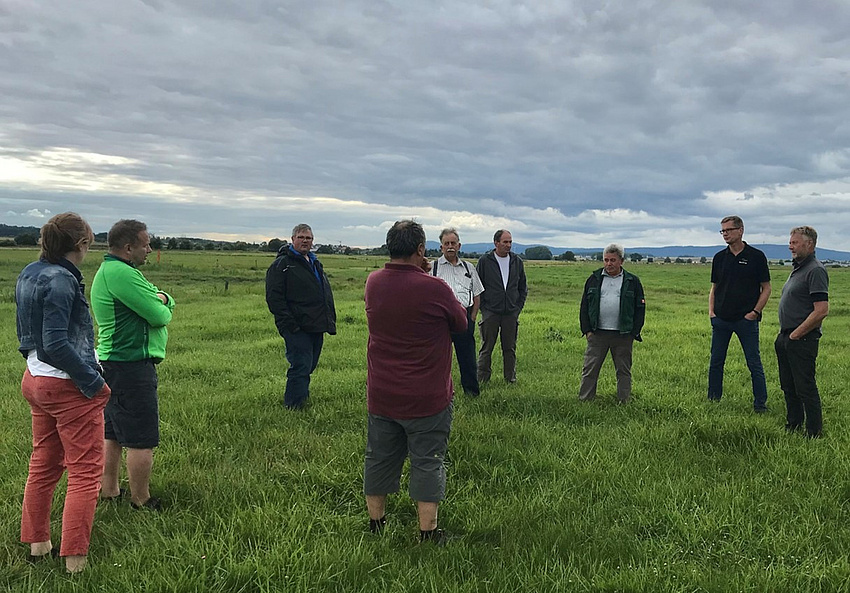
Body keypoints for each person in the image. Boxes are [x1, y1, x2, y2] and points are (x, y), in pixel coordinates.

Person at [15, 212, 111, 573]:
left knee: (43, 464)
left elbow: (29, 336)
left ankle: (38, 545)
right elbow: (56, 341)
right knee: (86, 472)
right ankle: (75, 561)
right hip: (66, 384)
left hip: (35, 378)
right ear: (81, 244)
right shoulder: (62, 280)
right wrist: (93, 382)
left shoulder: (30, 272)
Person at [363, 220, 467, 543]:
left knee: (378, 457)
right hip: (427, 396)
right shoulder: (434, 288)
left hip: (382, 393)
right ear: (421, 250)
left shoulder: (373, 282)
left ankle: (376, 524)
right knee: (427, 460)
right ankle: (428, 533)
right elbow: (461, 323)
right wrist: (424, 274)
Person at [91, 219, 175, 510]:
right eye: (145, 244)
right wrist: (164, 301)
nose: (150, 249)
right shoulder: (123, 274)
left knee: (112, 431)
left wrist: (163, 299)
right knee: (141, 438)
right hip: (130, 364)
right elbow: (160, 315)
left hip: (113, 362)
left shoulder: (114, 271)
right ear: (129, 248)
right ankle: (142, 499)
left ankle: (110, 489)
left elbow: (160, 300)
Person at [265, 224, 337, 410]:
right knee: (300, 365)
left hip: (316, 324)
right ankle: (294, 405)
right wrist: (289, 324)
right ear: (292, 239)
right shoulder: (282, 265)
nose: (305, 241)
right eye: (301, 237)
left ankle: (302, 397)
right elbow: (274, 298)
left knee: (309, 365)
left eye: (309, 238)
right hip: (296, 326)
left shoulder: (314, 262)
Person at [708, 216, 771, 412]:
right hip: (721, 319)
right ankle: (713, 400)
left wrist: (755, 312)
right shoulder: (719, 257)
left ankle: (760, 404)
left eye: (728, 230)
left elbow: (766, 288)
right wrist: (712, 313)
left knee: (754, 363)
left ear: (741, 230)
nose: (725, 234)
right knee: (716, 362)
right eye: (722, 231)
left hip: (746, 320)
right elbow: (714, 288)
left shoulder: (756, 256)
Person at [775, 226, 829, 438]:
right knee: (788, 386)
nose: (791, 246)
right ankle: (793, 425)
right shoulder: (798, 268)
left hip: (802, 338)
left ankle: (813, 433)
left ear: (810, 244)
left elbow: (821, 310)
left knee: (805, 387)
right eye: (790, 242)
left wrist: (796, 334)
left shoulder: (815, 270)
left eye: (795, 243)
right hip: (786, 336)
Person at [578, 244, 646, 403]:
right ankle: (585, 399)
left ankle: (624, 401)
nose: (609, 264)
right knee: (590, 370)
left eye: (613, 260)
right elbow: (584, 306)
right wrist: (587, 330)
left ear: (621, 261)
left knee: (623, 370)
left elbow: (640, 308)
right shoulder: (594, 279)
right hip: (597, 333)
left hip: (622, 335)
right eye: (606, 260)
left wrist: (633, 332)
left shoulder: (632, 281)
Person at [431, 228, 484, 396]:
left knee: (467, 358)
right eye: (446, 244)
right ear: (441, 248)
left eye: (453, 243)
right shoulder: (432, 267)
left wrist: (473, 317)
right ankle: (439, 391)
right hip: (440, 320)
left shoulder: (468, 268)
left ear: (459, 246)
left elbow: (477, 293)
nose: (450, 247)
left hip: (464, 316)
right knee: (438, 358)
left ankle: (471, 392)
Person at [476, 229, 528, 384]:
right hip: (491, 312)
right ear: (496, 243)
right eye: (505, 242)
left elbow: (522, 287)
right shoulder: (485, 261)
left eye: (510, 242)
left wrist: (517, 307)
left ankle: (510, 378)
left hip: (510, 313)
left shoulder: (516, 261)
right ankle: (482, 378)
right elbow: (478, 286)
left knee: (509, 348)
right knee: (487, 347)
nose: (508, 245)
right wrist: (484, 308)